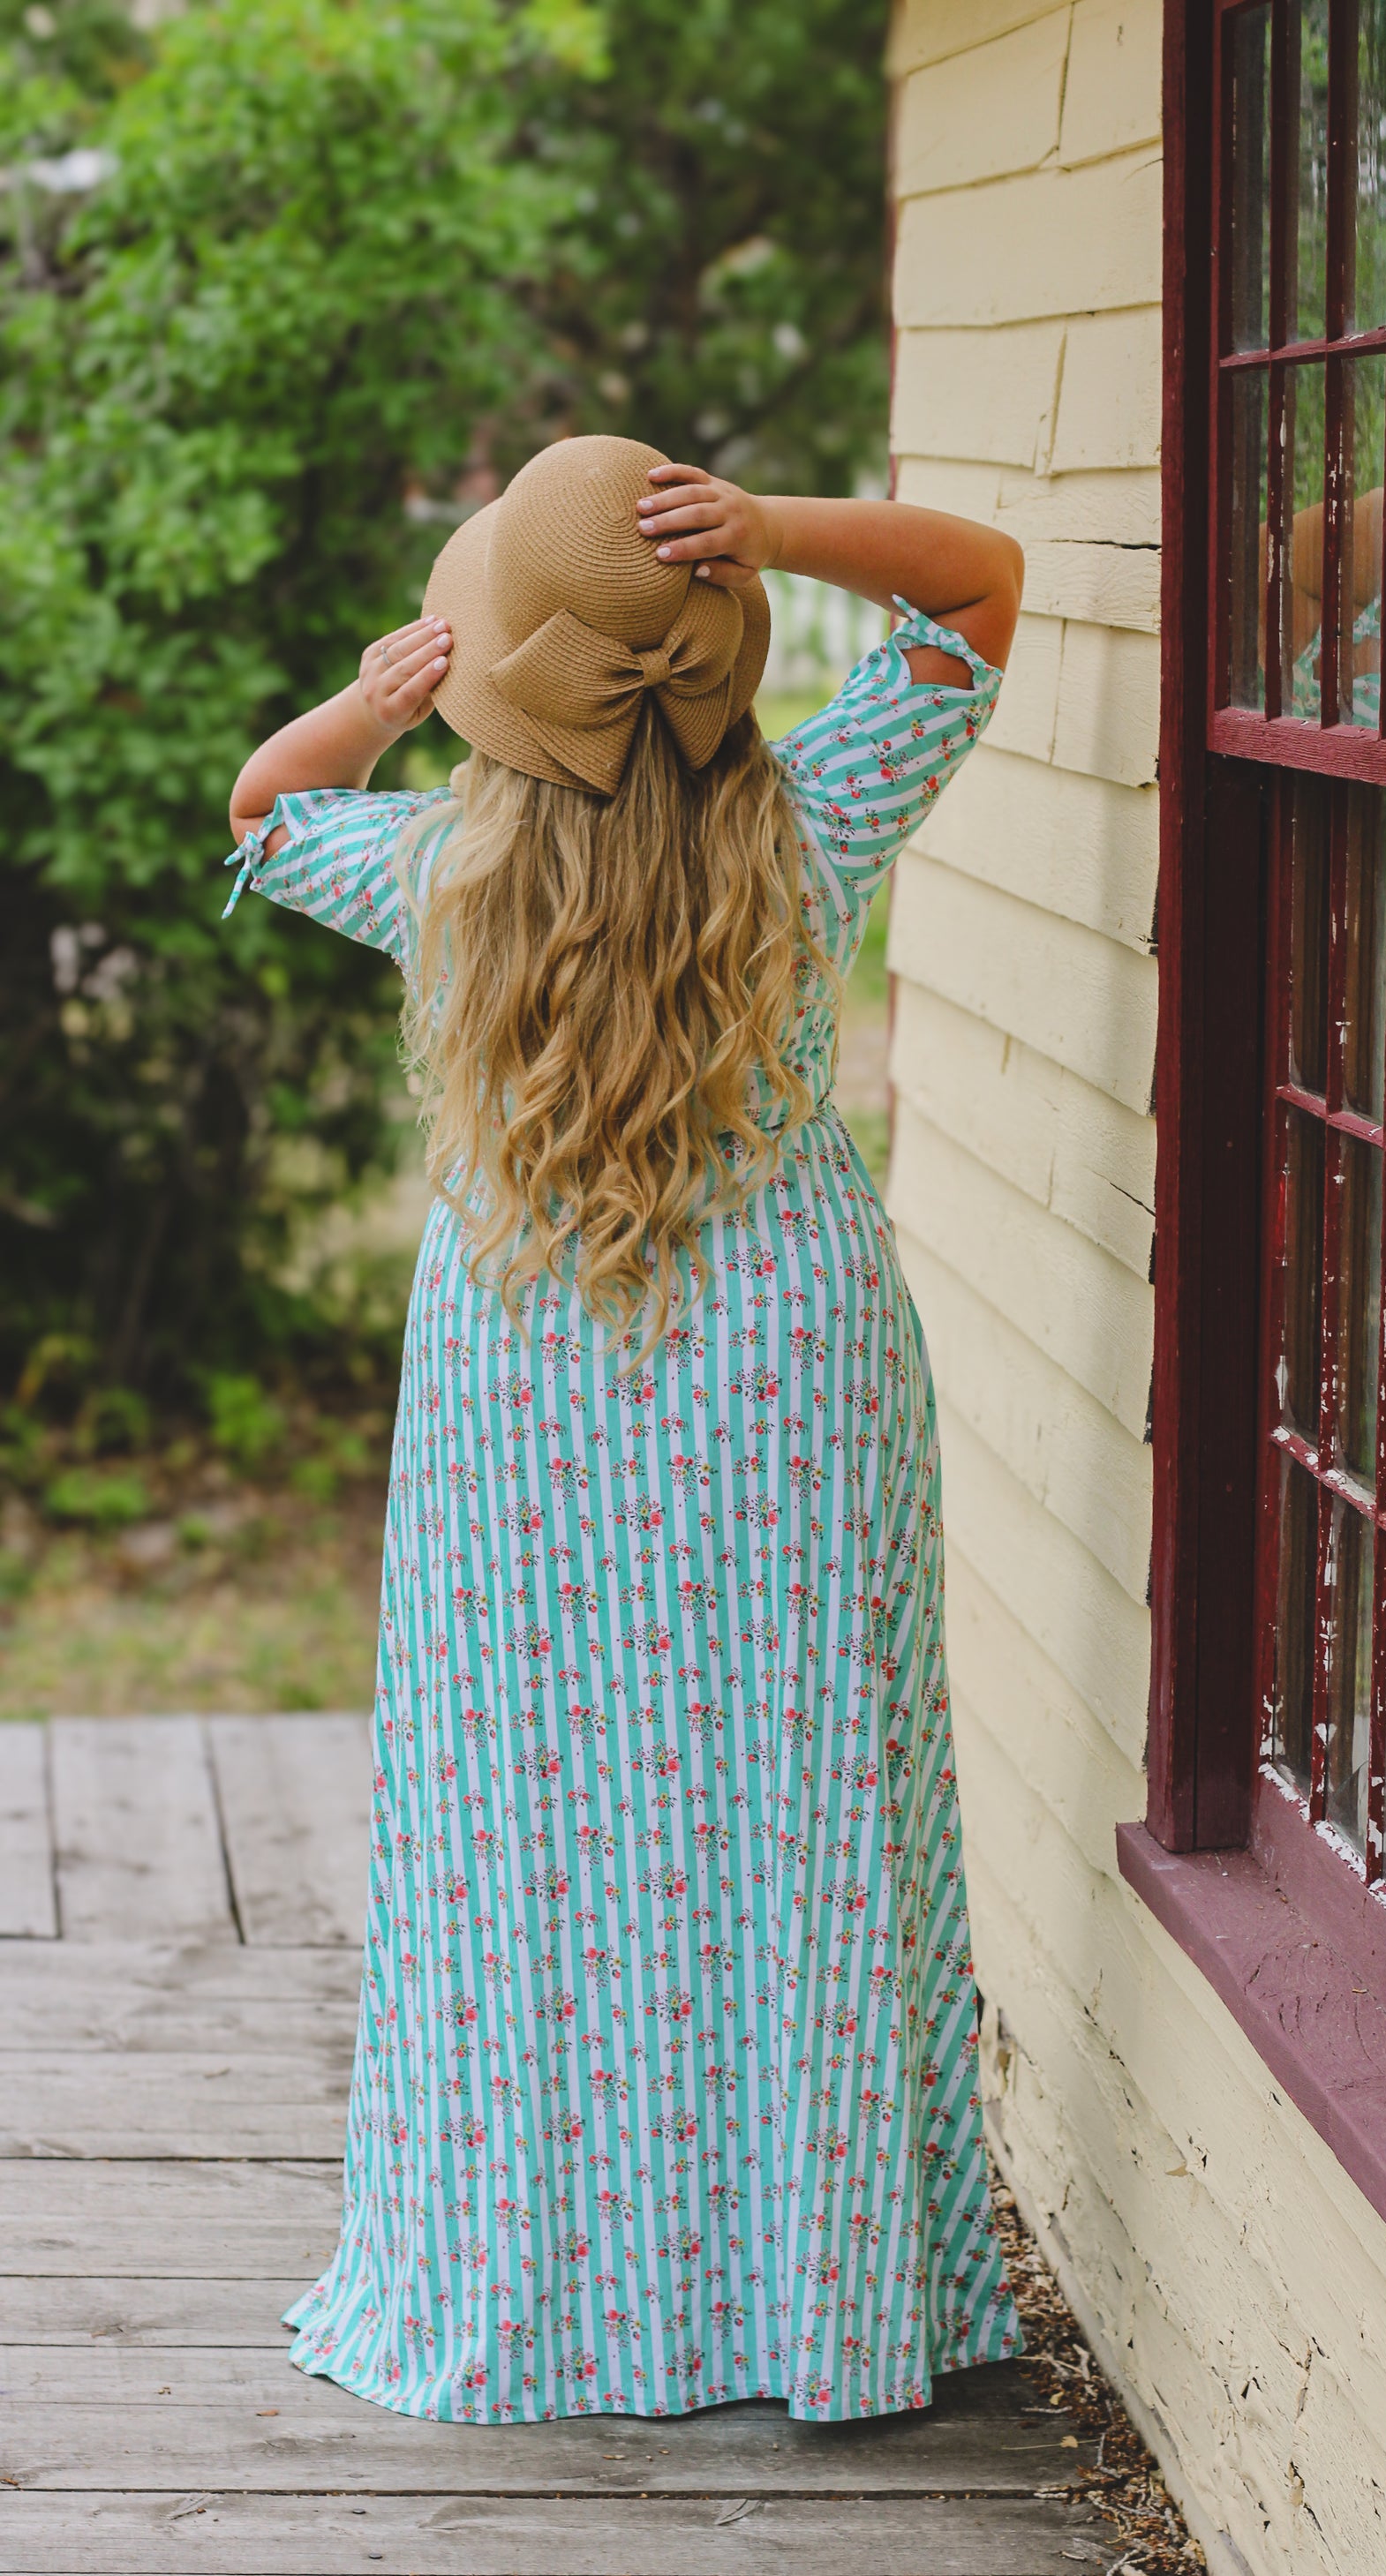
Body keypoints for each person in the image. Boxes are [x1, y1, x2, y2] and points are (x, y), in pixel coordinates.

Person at [224, 435, 1024, 2425]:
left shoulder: (441, 866)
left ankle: (570, 2285)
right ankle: (815, 2290)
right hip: (790, 1384)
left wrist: (371, 697)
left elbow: (260, 807)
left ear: (497, 680)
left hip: (534, 1402)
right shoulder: (819, 818)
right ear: (724, 644)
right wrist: (772, 529)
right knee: (798, 1816)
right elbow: (980, 584)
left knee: (539, 1836)